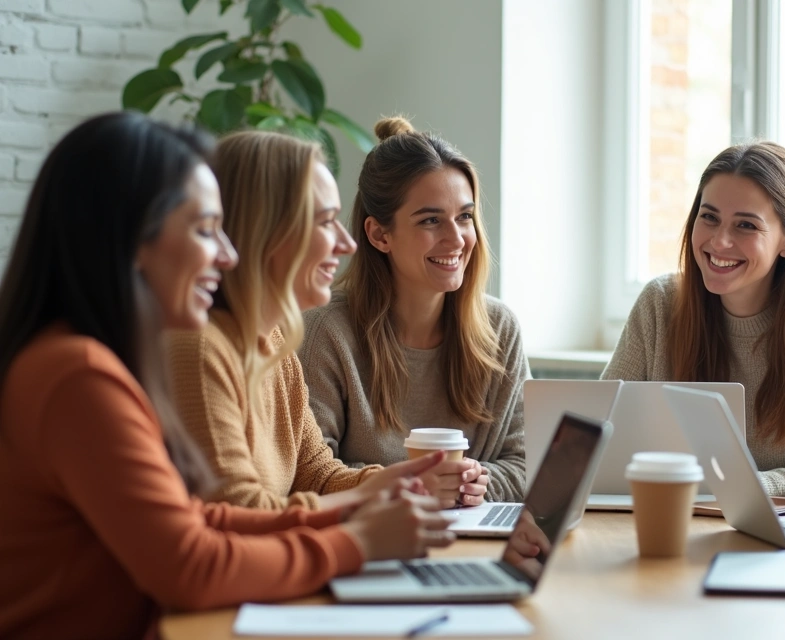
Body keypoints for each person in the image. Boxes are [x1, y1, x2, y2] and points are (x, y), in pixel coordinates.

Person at [0, 113, 452, 638]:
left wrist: (360, 502)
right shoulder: (77, 376)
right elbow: (190, 566)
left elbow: (197, 520)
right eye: (203, 230)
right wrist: (358, 541)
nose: (228, 254)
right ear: (130, 239)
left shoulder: (91, 362)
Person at [602, 141, 785, 497]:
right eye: (709, 216)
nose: (720, 241)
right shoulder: (660, 303)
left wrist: (748, 489)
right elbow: (598, 438)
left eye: (745, 225)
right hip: (679, 525)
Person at [167, 131, 424, 510]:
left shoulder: (275, 344)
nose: (347, 244)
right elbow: (240, 511)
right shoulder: (200, 348)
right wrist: (370, 508)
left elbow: (317, 476)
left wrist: (409, 481)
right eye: (324, 221)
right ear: (264, 231)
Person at [300, 116, 528, 508]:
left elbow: (526, 462)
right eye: (430, 220)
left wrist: (475, 482)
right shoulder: (327, 331)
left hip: (472, 537)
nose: (456, 239)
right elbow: (310, 475)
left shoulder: (499, 328)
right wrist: (414, 486)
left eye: (465, 217)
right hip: (372, 540)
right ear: (379, 235)